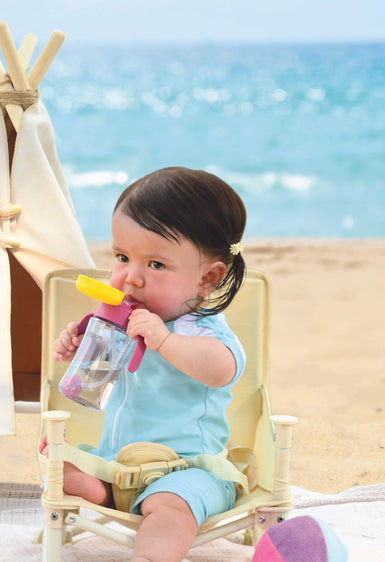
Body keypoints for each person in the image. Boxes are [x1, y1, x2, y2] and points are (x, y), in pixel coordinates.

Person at [46, 166, 248, 562]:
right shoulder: (123, 320)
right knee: (59, 465)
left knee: (170, 508)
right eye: (122, 257)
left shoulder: (206, 333)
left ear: (208, 277)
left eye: (156, 265)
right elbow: (94, 378)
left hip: (186, 473)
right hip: (117, 462)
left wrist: (166, 341)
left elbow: (221, 369)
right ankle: (104, 491)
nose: (131, 278)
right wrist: (80, 347)